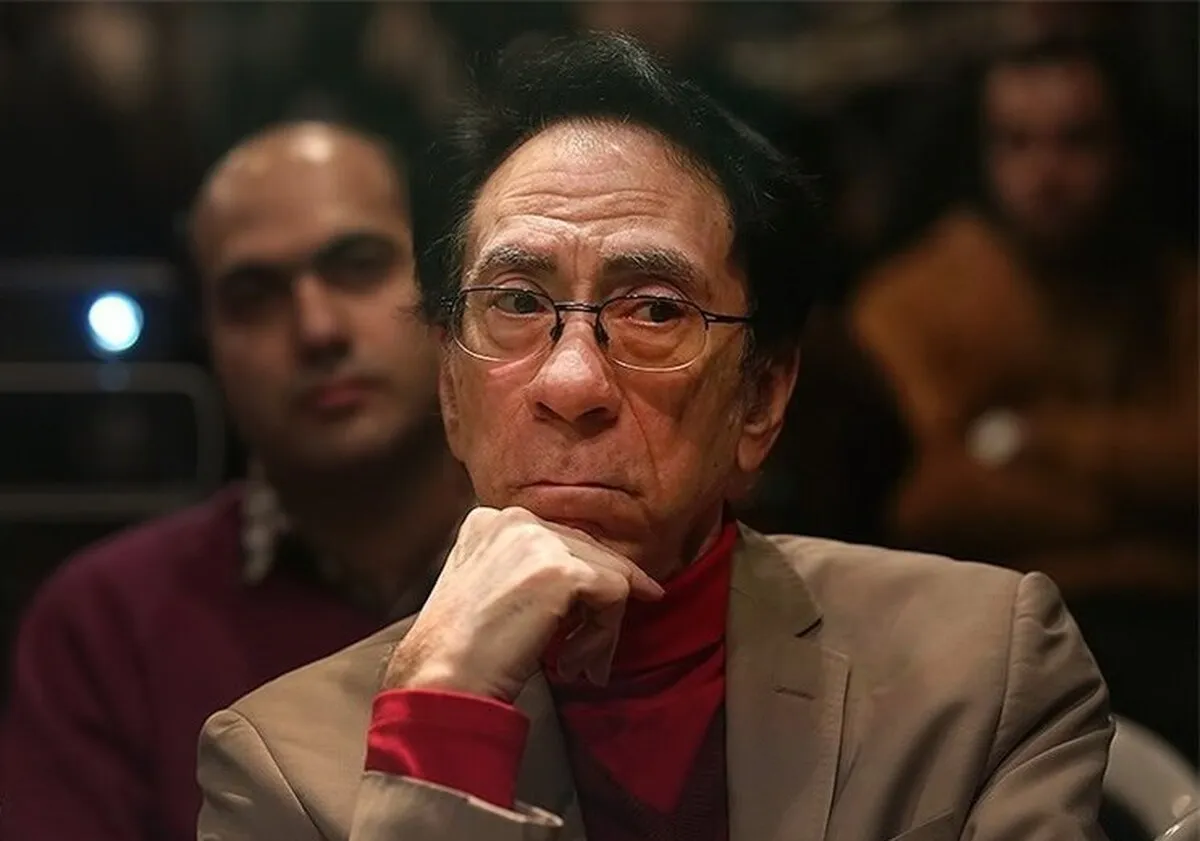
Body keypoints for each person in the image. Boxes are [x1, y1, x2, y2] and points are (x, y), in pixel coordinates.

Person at [197, 35, 1112, 841]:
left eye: (655, 310)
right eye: (516, 301)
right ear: (450, 388)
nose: (571, 382)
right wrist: (440, 723)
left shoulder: (981, 667)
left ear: (760, 397)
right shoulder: (281, 766)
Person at [0, 121, 471, 841]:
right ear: (207, 341)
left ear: (444, 282)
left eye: (357, 266)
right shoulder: (104, 626)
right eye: (254, 296)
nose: (317, 328)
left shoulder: (575, 571)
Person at [852, 36, 1197, 759]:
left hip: (1172, 627)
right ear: (978, 151)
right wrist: (1139, 505)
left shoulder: (1178, 292)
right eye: (1016, 142)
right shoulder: (913, 300)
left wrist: (1036, 439)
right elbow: (932, 501)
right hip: (988, 635)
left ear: (1126, 148)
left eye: (1078, 140)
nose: (1047, 172)